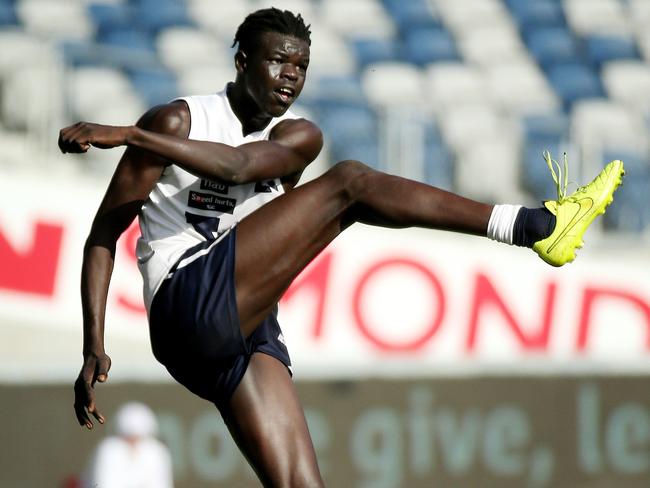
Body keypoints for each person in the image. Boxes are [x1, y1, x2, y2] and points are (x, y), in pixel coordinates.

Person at [58, 8, 624, 487]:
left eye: (301, 66)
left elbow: (237, 165)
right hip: (187, 305)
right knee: (350, 182)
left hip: (243, 328)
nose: (290, 76)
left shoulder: (298, 136)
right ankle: (535, 224)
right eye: (278, 61)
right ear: (242, 63)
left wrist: (129, 134)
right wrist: (93, 345)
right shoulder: (177, 120)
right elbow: (104, 234)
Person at [83, 402, 174, 488]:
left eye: (138, 437)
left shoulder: (157, 452)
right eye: (129, 436)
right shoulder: (108, 450)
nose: (133, 441)